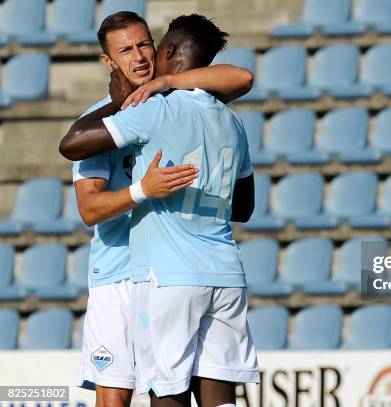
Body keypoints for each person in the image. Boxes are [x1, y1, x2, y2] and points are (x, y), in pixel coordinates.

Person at [60, 14, 257, 407]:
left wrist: (167, 81)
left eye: (144, 45)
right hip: (119, 271)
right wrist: (140, 190)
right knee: (116, 397)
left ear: (160, 47)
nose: (139, 57)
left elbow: (243, 77)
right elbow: (89, 208)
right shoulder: (103, 116)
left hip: (166, 272)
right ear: (108, 62)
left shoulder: (174, 101)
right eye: (126, 50)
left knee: (166, 391)